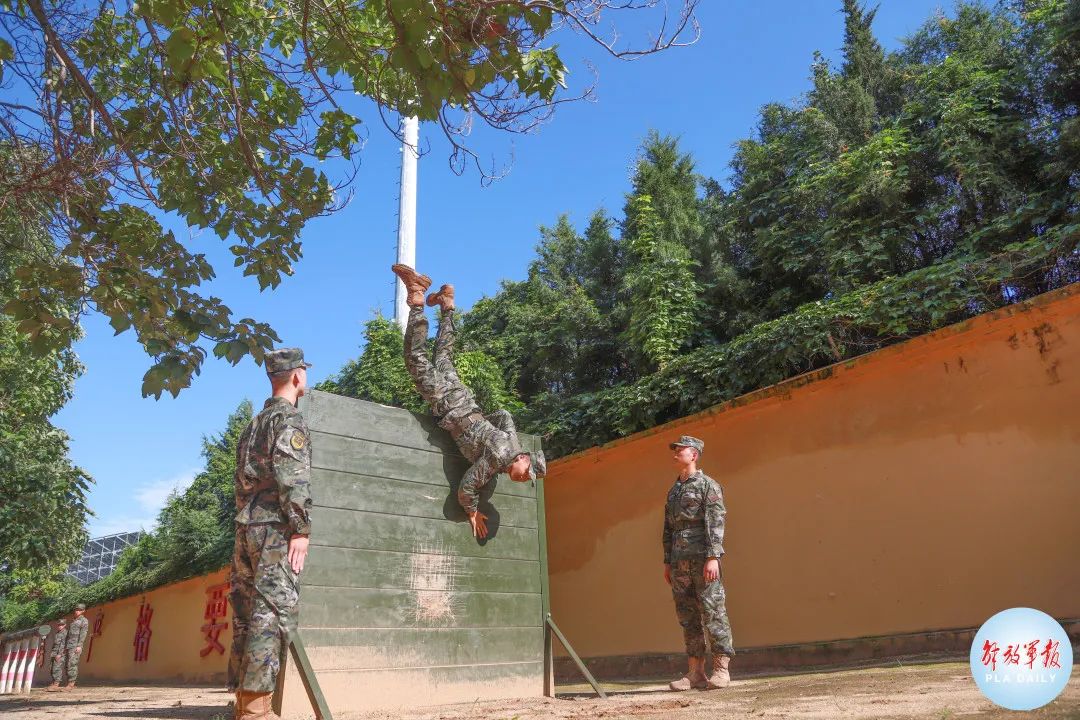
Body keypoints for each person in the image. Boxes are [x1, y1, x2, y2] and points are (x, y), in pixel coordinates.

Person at [392, 264, 546, 539]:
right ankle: (417, 297)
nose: (524, 478)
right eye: (527, 472)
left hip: (464, 399)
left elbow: (503, 414)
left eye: (528, 478)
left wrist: (479, 420)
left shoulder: (510, 440)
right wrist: (472, 510)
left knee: (443, 358)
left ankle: (446, 305)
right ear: (523, 458)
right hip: (451, 405)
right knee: (417, 360)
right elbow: (467, 487)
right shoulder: (499, 457)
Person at [230, 348, 314, 720]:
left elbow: (239, 483)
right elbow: (292, 476)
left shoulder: (252, 425)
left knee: (247, 610)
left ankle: (243, 702)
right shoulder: (288, 420)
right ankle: (255, 710)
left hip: (245, 524)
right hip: (274, 526)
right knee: (272, 610)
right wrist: (300, 528)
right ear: (297, 376)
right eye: (304, 373)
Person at [662, 436, 735, 691]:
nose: (675, 453)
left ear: (693, 454)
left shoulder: (708, 486)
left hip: (703, 560)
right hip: (679, 564)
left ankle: (722, 669)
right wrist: (668, 562)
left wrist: (713, 556)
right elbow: (668, 530)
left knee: (713, 611)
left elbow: (715, 522)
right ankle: (695, 672)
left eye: (680, 449)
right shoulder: (674, 491)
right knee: (688, 617)